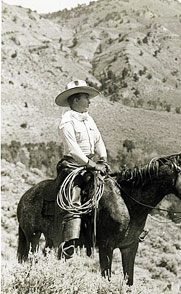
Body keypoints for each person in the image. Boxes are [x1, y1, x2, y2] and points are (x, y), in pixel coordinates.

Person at [55, 79, 109, 258]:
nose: (89, 101)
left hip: (91, 164)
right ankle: (69, 241)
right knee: (74, 198)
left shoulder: (89, 119)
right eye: (86, 98)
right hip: (72, 165)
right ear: (76, 100)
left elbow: (98, 140)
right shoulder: (66, 122)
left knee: (114, 187)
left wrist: (103, 158)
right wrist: (91, 164)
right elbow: (74, 150)